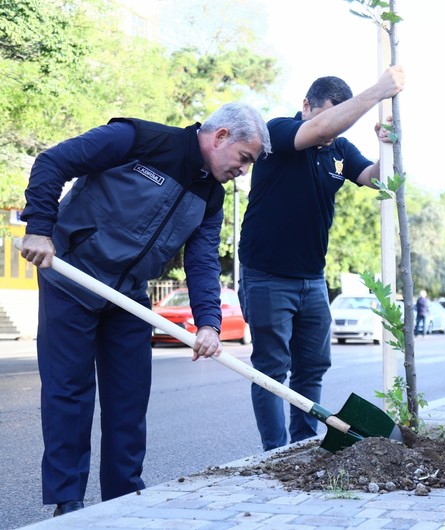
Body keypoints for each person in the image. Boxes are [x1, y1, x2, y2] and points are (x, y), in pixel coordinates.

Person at [18, 102, 271, 517]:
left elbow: (203, 260)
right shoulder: (138, 139)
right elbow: (53, 161)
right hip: (72, 277)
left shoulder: (211, 196)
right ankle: (69, 504)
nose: (244, 170)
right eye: (244, 158)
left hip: (129, 296)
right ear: (221, 136)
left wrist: (208, 322)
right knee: (69, 393)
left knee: (129, 400)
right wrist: (40, 228)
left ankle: (123, 501)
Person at [238, 65, 405, 451]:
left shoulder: (339, 151)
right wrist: (377, 91)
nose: (337, 127)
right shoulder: (277, 132)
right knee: (271, 369)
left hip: (312, 279)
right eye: (332, 113)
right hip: (266, 275)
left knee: (312, 366)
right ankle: (275, 451)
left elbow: (376, 178)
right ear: (307, 107)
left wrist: (387, 145)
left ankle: (302, 444)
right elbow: (321, 129)